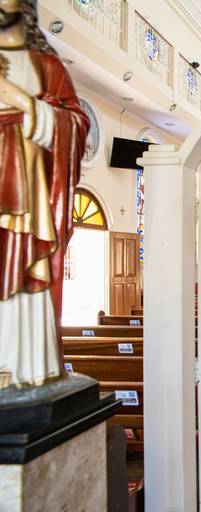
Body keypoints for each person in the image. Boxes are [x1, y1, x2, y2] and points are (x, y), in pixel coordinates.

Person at [0, 1, 90, 388]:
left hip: (29, 193)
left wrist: (19, 100)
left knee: (24, 267)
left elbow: (72, 122)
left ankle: (25, 362)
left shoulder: (47, 68)